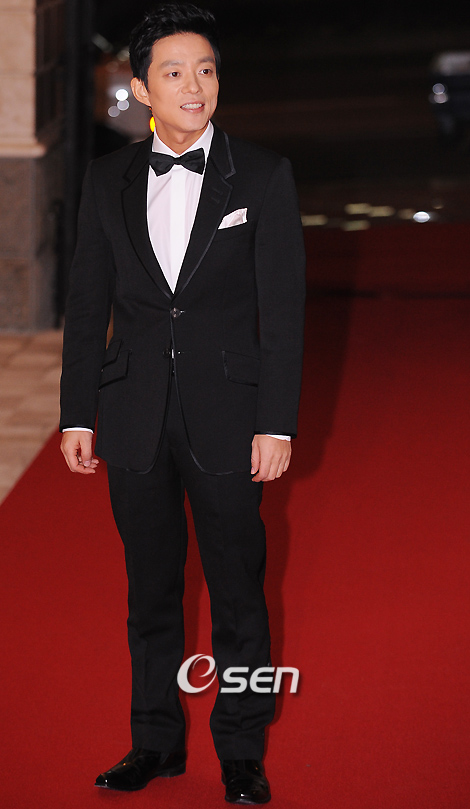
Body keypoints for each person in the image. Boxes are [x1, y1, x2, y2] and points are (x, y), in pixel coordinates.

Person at [60, 3, 305, 803]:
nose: (194, 85)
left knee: (238, 591)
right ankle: (154, 740)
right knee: (150, 592)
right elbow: (87, 302)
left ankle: (241, 747)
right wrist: (77, 412)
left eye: (205, 69)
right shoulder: (106, 179)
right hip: (133, 415)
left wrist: (276, 422)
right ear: (141, 89)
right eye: (174, 72)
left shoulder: (261, 175)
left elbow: (284, 313)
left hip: (229, 417)